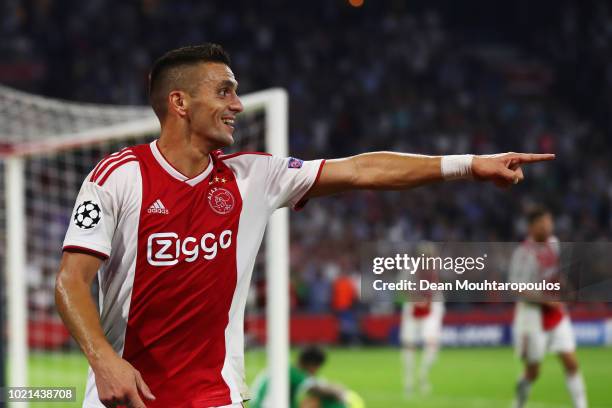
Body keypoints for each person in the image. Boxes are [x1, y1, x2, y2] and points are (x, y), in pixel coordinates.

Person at [54, 43, 555, 408]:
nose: (238, 104)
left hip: (215, 397)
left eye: (237, 92)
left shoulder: (257, 176)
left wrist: (469, 164)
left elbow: (363, 169)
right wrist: (104, 360)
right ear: (179, 103)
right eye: (224, 91)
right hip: (123, 396)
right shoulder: (119, 177)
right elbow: (70, 281)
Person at [509, 207, 587, 408]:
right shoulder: (523, 253)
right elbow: (516, 286)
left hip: (556, 313)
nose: (548, 226)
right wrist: (546, 300)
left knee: (571, 362)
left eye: (550, 222)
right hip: (532, 316)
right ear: (532, 227)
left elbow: (554, 274)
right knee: (533, 371)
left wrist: (565, 286)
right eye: (544, 223)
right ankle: (519, 401)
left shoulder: (554, 244)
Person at [250, 346, 362, 408]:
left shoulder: (286, 369)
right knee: (330, 402)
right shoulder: (293, 373)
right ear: (313, 365)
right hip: (264, 405)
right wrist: (342, 394)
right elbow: (317, 389)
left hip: (259, 404)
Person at [399, 242, 444, 396]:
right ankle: (408, 381)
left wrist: (429, 303)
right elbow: (402, 287)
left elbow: (438, 291)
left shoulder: (436, 269)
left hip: (432, 307)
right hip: (413, 306)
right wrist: (417, 299)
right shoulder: (410, 268)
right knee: (409, 345)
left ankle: (422, 375)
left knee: (432, 343)